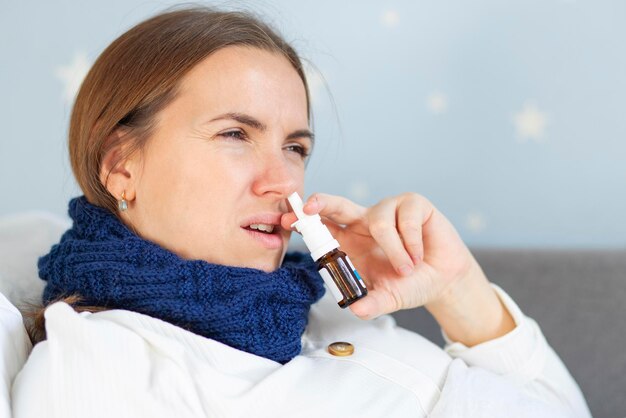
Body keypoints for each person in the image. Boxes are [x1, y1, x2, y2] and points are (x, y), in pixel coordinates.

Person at [11, 6, 591, 417]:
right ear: (120, 166)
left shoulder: (319, 306)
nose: (283, 180)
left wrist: (457, 286)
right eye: (235, 133)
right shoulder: (98, 370)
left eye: (296, 148)